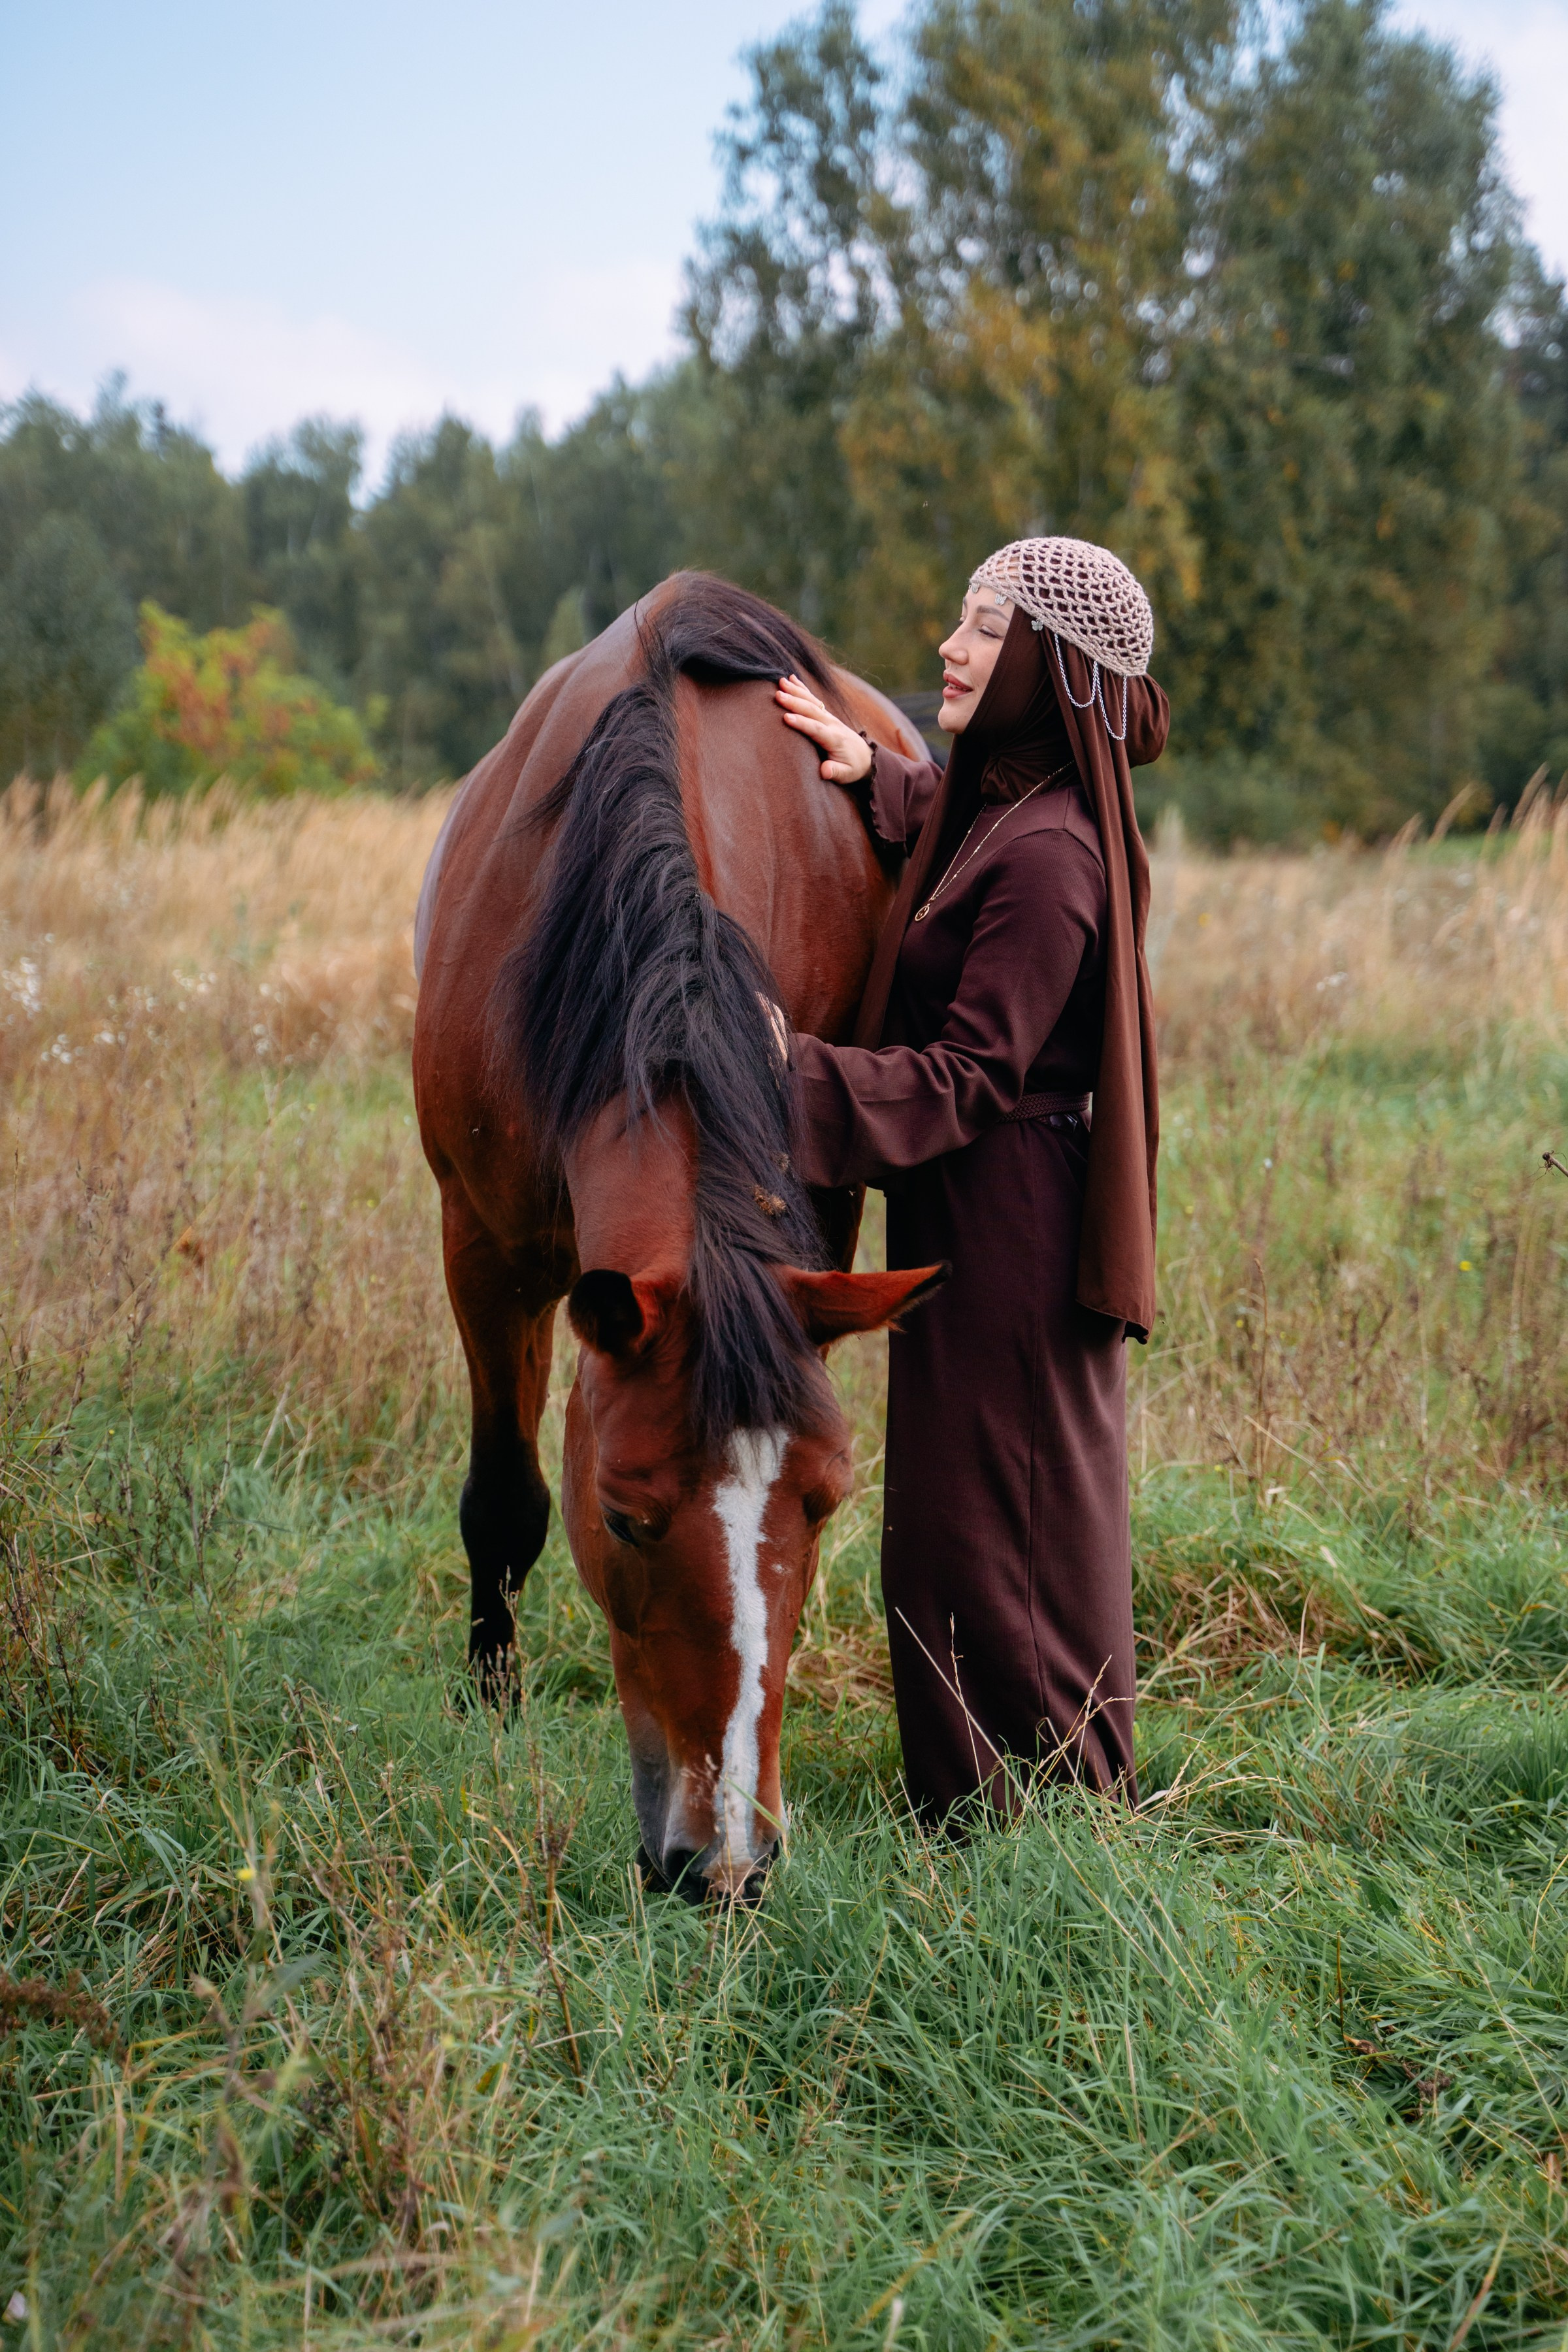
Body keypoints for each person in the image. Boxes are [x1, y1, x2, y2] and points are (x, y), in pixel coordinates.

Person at [774, 536, 1168, 1821]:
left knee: (1009, 1524)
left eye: (986, 629)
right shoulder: (1002, 803)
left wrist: (784, 1072)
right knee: (948, 1531)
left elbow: (964, 1077)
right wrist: (873, 773)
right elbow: (949, 835)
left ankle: (1051, 1815)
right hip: (971, 1209)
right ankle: (972, 1807)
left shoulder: (1055, 856)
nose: (951, 647)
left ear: (1048, 670)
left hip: (1015, 1227)